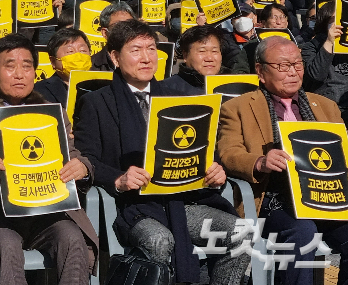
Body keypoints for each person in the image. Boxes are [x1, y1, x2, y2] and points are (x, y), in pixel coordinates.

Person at [72, 19, 250, 285]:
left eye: (152, 49)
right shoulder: (96, 103)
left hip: (182, 202)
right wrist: (118, 179)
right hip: (133, 206)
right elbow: (89, 160)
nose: (146, 58)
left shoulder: (177, 98)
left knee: (241, 233)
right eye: (136, 50)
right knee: (158, 240)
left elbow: (200, 151)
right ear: (114, 57)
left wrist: (214, 169)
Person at [0, 34, 99, 285]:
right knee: (6, 244)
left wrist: (83, 167)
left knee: (71, 237)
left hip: (46, 211)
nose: (19, 74)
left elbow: (74, 155)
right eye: (10, 66)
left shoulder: (52, 112)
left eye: (27, 66)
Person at [217, 36, 348, 285]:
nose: (293, 72)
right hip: (273, 198)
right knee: (302, 232)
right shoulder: (238, 107)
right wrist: (259, 162)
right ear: (261, 71)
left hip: (325, 195)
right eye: (283, 66)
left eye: (297, 64)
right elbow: (228, 153)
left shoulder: (327, 106)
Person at [301, 0, 348, 122]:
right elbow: (316, 75)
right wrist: (329, 43)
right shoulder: (310, 47)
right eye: (336, 19)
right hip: (326, 108)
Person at [34, 28, 91, 107]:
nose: (78, 56)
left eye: (83, 50)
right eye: (70, 51)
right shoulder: (40, 91)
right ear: (53, 61)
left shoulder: (102, 86)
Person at [165, 25, 226, 95]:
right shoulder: (166, 90)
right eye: (202, 51)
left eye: (214, 51)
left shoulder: (233, 87)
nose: (209, 58)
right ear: (185, 55)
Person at [90, 2, 136, 71]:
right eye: (118, 25)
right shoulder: (91, 66)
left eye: (130, 24)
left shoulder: (143, 61)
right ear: (105, 33)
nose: (126, 29)